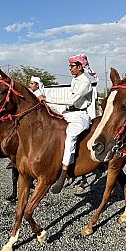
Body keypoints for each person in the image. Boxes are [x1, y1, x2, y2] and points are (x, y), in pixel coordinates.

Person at [50, 54, 95, 193]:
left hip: (80, 116)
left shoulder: (85, 82)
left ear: (80, 67)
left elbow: (72, 100)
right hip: (69, 113)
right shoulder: (75, 79)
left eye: (72, 66)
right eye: (69, 66)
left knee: (70, 135)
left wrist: (47, 97)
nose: (70, 69)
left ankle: (64, 173)